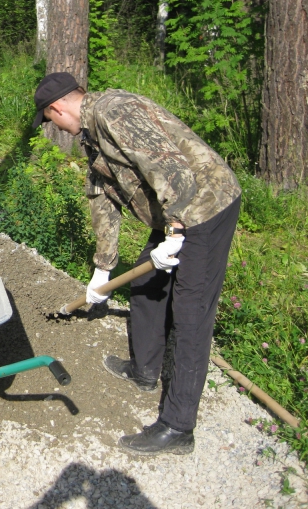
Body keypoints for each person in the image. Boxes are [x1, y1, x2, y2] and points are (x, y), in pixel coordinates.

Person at [32, 72, 241, 455]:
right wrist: (103, 266)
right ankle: (145, 370)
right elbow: (102, 198)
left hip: (205, 207)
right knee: (145, 286)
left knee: (191, 313)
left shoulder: (116, 113)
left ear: (57, 107)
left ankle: (178, 428)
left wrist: (177, 232)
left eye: (50, 120)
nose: (55, 128)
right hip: (176, 212)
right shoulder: (92, 135)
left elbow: (170, 168)